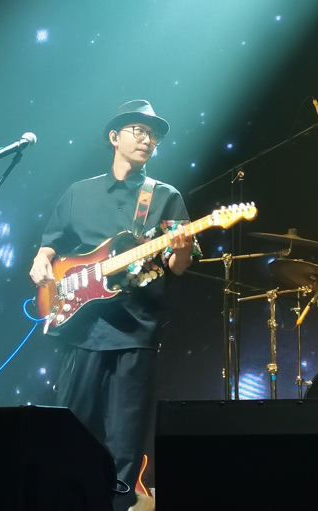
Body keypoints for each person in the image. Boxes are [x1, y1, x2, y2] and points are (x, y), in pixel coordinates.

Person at [29, 99, 201, 511]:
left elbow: (178, 265)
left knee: (128, 437)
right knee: (71, 428)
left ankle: (118, 506)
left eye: (153, 135)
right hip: (81, 329)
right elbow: (50, 243)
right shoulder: (79, 193)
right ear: (114, 137)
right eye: (139, 131)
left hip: (136, 330)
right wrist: (40, 260)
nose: (147, 139)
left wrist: (181, 249)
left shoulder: (164, 196)